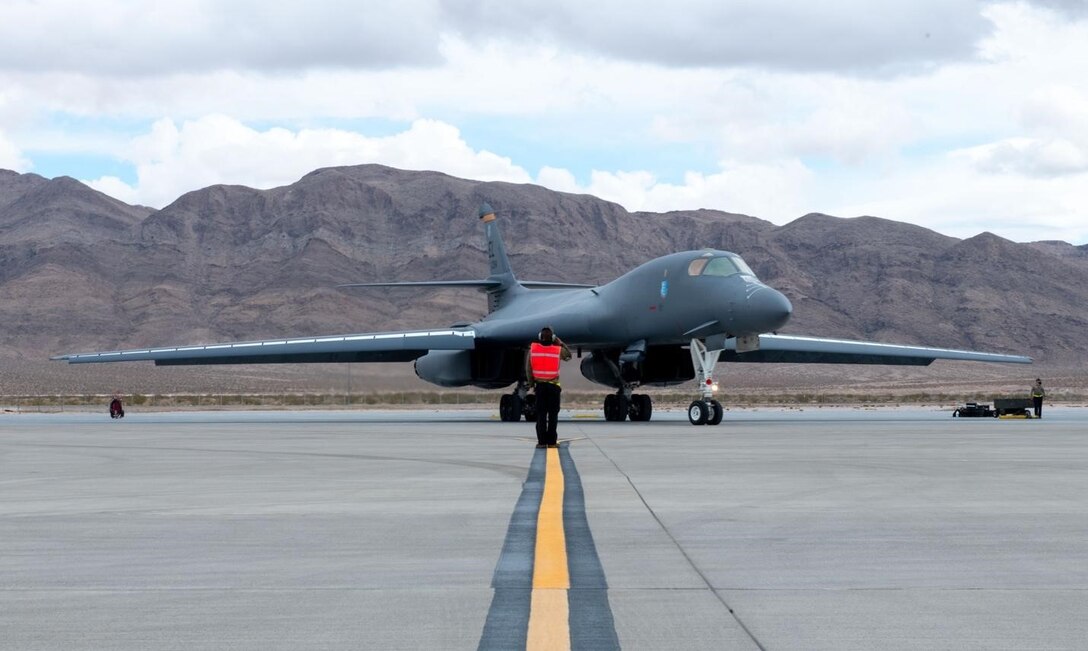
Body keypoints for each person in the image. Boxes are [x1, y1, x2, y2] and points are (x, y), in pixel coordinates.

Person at [526, 326, 571, 448]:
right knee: (553, 415)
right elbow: (568, 356)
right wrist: (560, 343)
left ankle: (541, 442)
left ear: (540, 337)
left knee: (541, 415)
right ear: (553, 338)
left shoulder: (533, 350)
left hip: (540, 387)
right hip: (554, 387)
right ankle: (551, 442)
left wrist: (531, 384)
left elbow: (528, 369)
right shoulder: (557, 350)